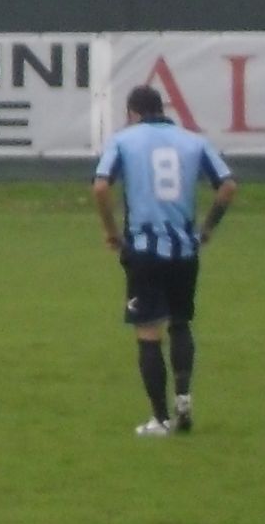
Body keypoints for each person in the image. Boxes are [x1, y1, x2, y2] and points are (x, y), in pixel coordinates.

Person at [92, 86, 237, 437]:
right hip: (184, 250)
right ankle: (183, 398)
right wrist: (207, 228)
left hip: (144, 249)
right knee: (180, 322)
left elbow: (100, 187)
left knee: (148, 331)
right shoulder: (194, 141)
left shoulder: (123, 141)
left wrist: (111, 231)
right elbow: (228, 185)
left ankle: (159, 419)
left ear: (132, 113)